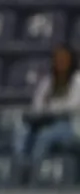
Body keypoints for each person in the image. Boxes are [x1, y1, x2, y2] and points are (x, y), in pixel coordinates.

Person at [13, 44, 80, 175]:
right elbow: (37, 105)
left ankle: (34, 171)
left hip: (70, 124)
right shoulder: (48, 81)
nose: (60, 62)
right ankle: (21, 166)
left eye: (64, 58)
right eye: (58, 58)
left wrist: (51, 111)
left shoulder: (77, 80)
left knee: (45, 136)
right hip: (45, 121)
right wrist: (42, 114)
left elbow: (73, 106)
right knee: (22, 131)